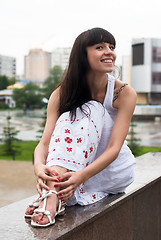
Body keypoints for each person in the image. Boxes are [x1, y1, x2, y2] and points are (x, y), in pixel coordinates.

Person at [25, 27, 137, 227]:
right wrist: (39, 167)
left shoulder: (124, 93)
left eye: (111, 47)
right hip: (70, 172)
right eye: (100, 47)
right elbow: (45, 143)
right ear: (82, 56)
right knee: (71, 114)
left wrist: (81, 176)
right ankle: (53, 194)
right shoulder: (61, 94)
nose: (109, 52)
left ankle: (51, 196)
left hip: (110, 170)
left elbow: (114, 148)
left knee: (91, 108)